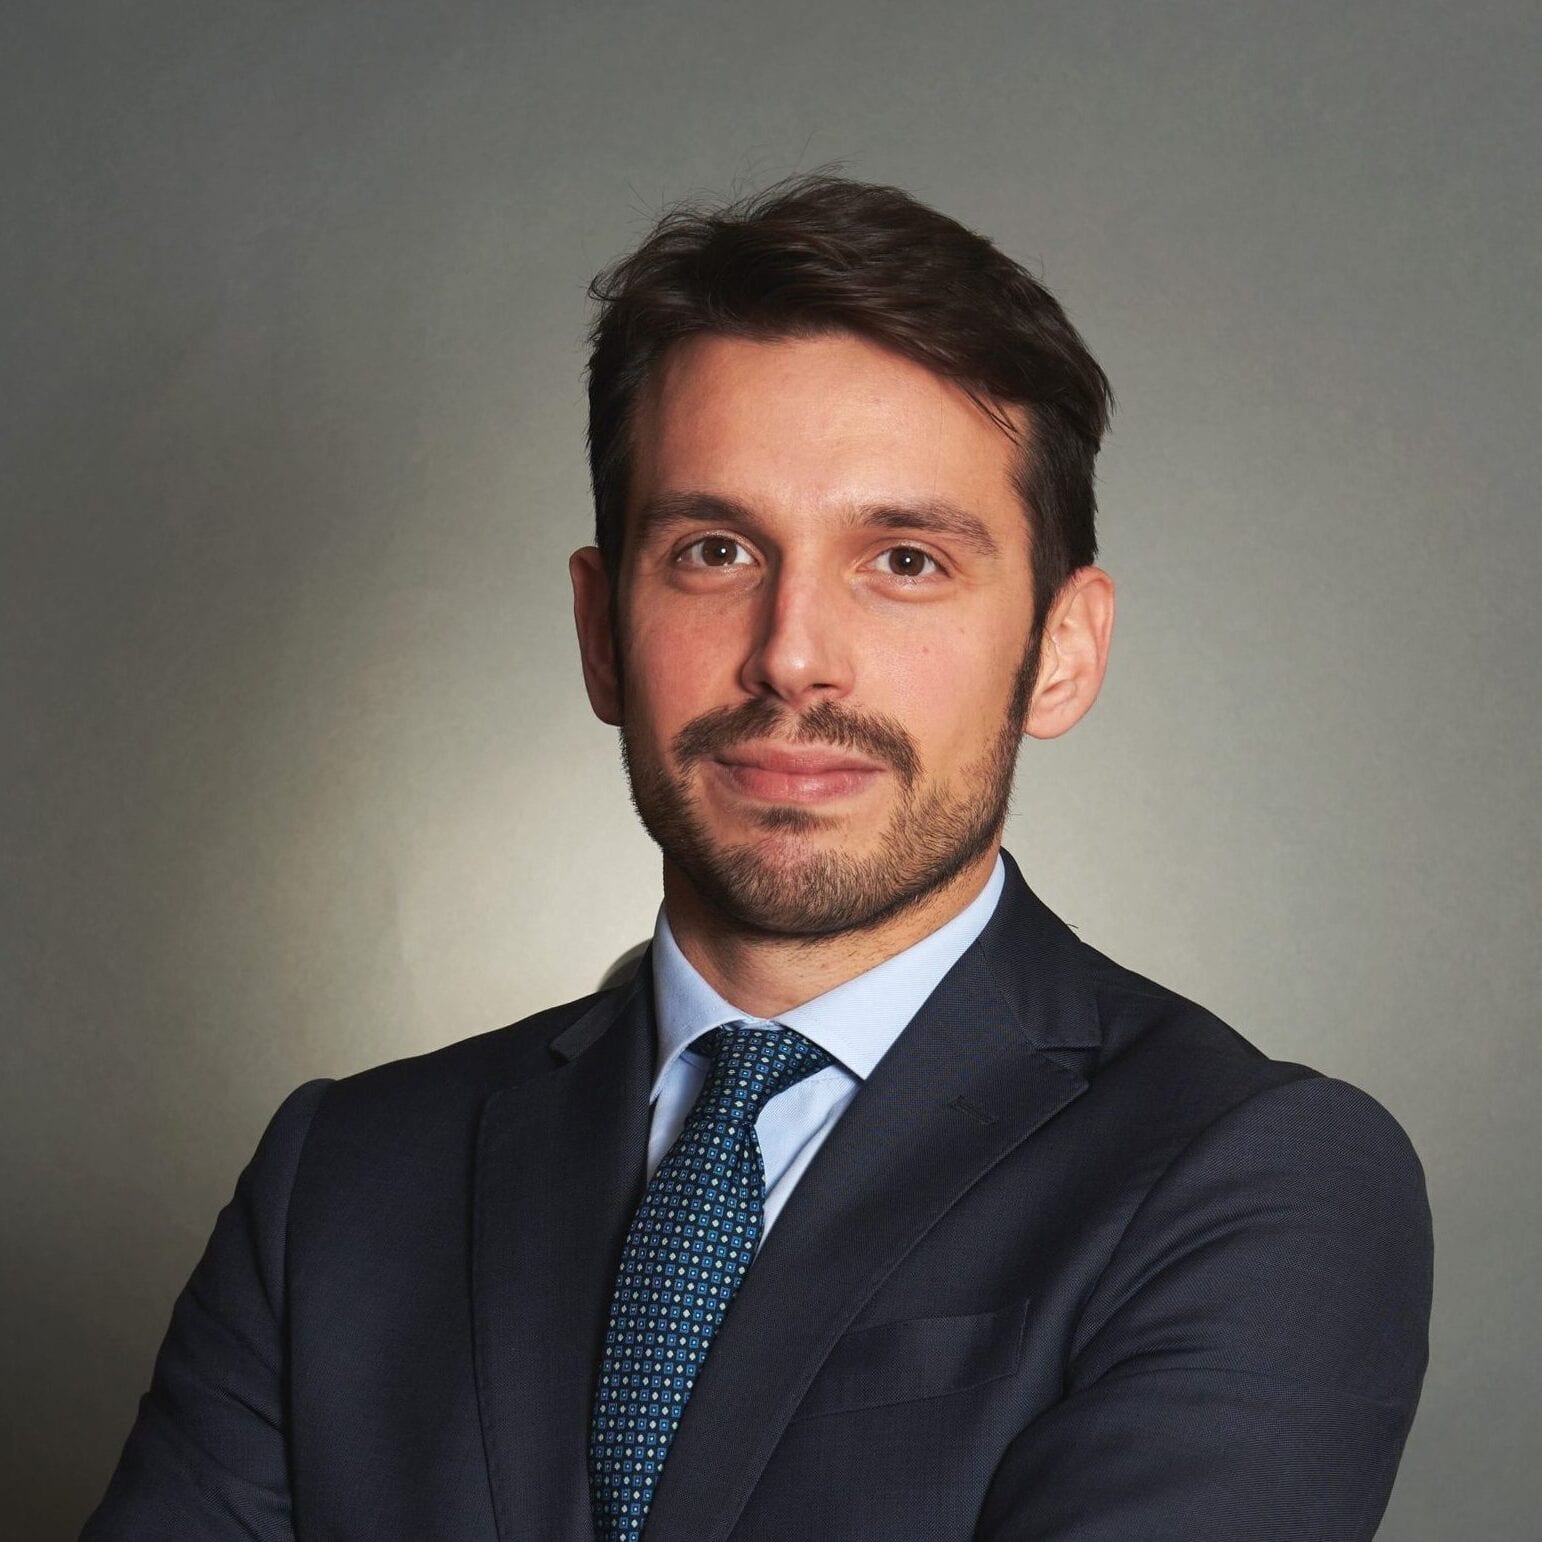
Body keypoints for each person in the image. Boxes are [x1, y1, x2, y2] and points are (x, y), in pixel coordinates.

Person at [83, 173, 1433, 1541]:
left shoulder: (1249, 1178)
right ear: (601, 631)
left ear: (1062, 651)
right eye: (715, 549)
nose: (793, 655)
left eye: (904, 560)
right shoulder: (341, 1181)